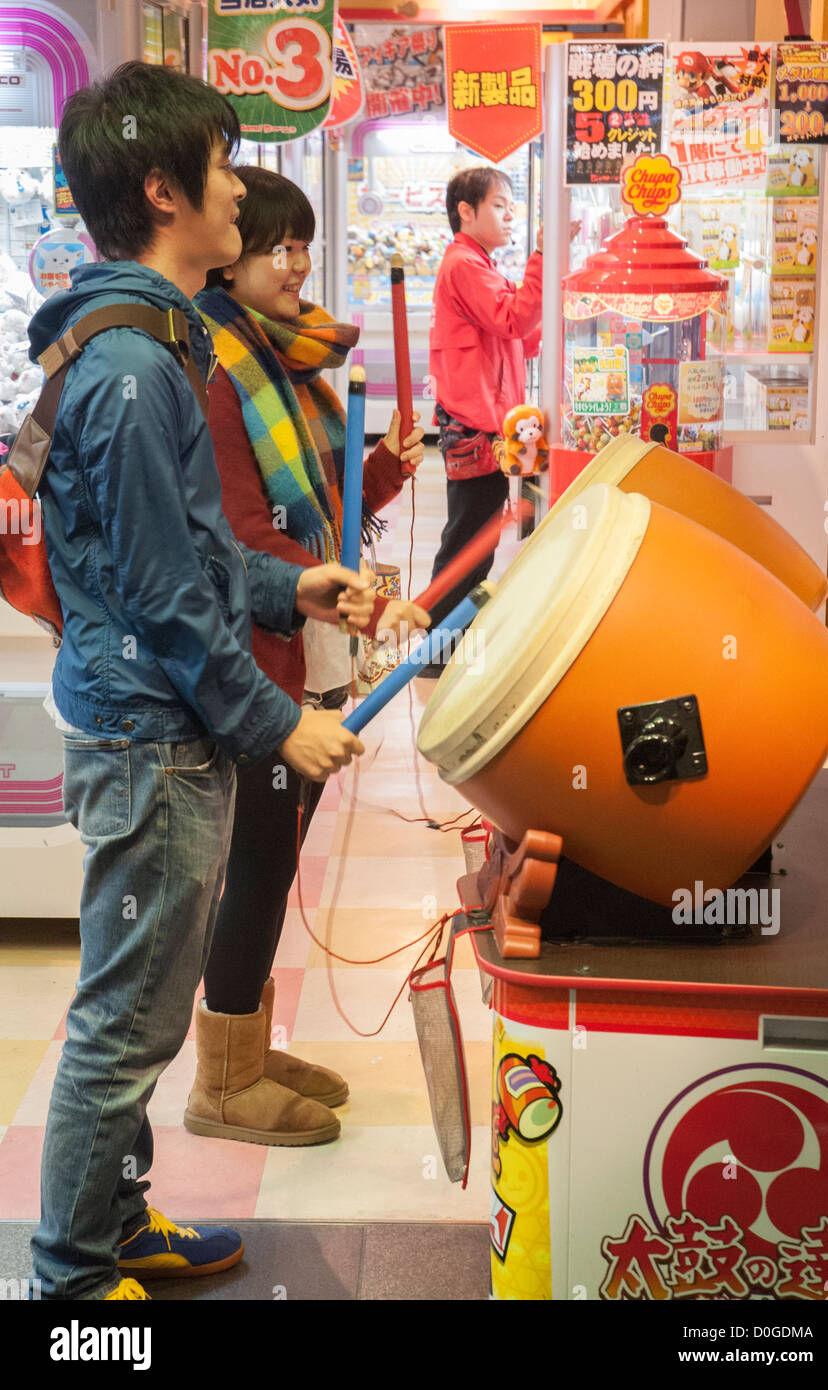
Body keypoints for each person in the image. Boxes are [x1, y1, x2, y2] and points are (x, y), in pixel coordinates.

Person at [28, 61, 372, 1302]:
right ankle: (72, 1282)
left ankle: (116, 1227)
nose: (240, 191)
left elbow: (192, 549)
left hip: (160, 731)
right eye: (224, 169)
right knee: (123, 1023)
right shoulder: (134, 370)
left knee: (143, 1008)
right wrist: (283, 727)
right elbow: (167, 602)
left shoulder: (151, 345)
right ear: (167, 190)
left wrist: (294, 589)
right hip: (149, 740)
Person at [188, 167, 430, 1146]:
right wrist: (360, 597)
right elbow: (246, 542)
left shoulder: (282, 361)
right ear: (224, 254)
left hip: (308, 651)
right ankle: (220, 1084)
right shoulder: (212, 371)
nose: (295, 263)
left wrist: (379, 472)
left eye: (302, 243)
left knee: (273, 859)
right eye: (273, 246)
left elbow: (318, 515)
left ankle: (241, 1042)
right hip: (253, 665)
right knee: (252, 865)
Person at [422, 166, 543, 675]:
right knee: (471, 536)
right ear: (465, 212)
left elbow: (518, 333)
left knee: (479, 532)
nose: (509, 213)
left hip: (491, 423)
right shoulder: (466, 265)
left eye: (510, 204)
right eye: (499, 204)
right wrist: (543, 258)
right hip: (478, 427)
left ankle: (450, 640)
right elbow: (513, 319)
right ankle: (437, 648)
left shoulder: (478, 263)